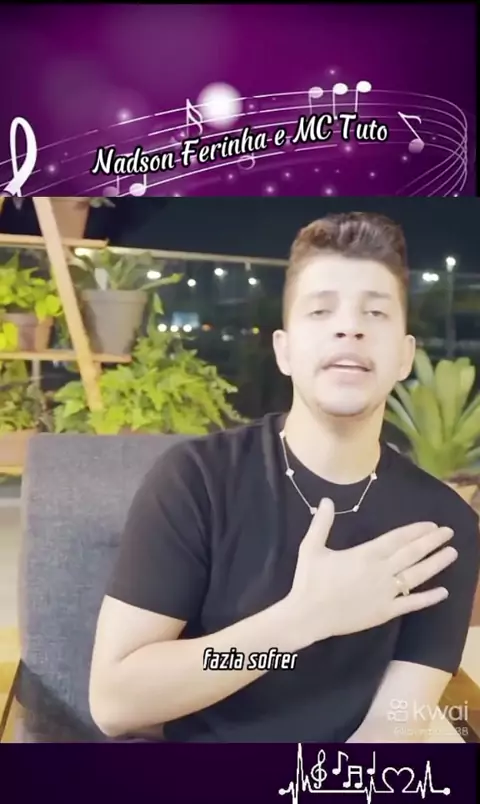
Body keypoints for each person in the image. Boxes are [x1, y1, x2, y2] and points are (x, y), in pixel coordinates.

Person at [89, 212, 480, 743]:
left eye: (375, 312)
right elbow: (116, 703)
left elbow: (396, 724)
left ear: (404, 357)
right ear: (284, 350)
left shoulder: (442, 526)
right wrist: (301, 621)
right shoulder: (198, 482)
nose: (350, 327)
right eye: (321, 310)